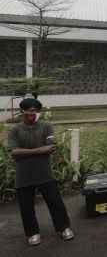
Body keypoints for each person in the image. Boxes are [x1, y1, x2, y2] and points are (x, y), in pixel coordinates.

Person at [6, 98, 74, 246]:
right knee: (26, 207)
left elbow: (51, 147)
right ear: (23, 112)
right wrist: (39, 150)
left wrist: (28, 152)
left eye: (37, 111)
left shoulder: (46, 126)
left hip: (45, 173)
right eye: (31, 110)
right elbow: (14, 152)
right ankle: (33, 233)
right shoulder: (15, 129)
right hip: (23, 175)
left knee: (55, 202)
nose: (35, 113)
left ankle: (64, 228)